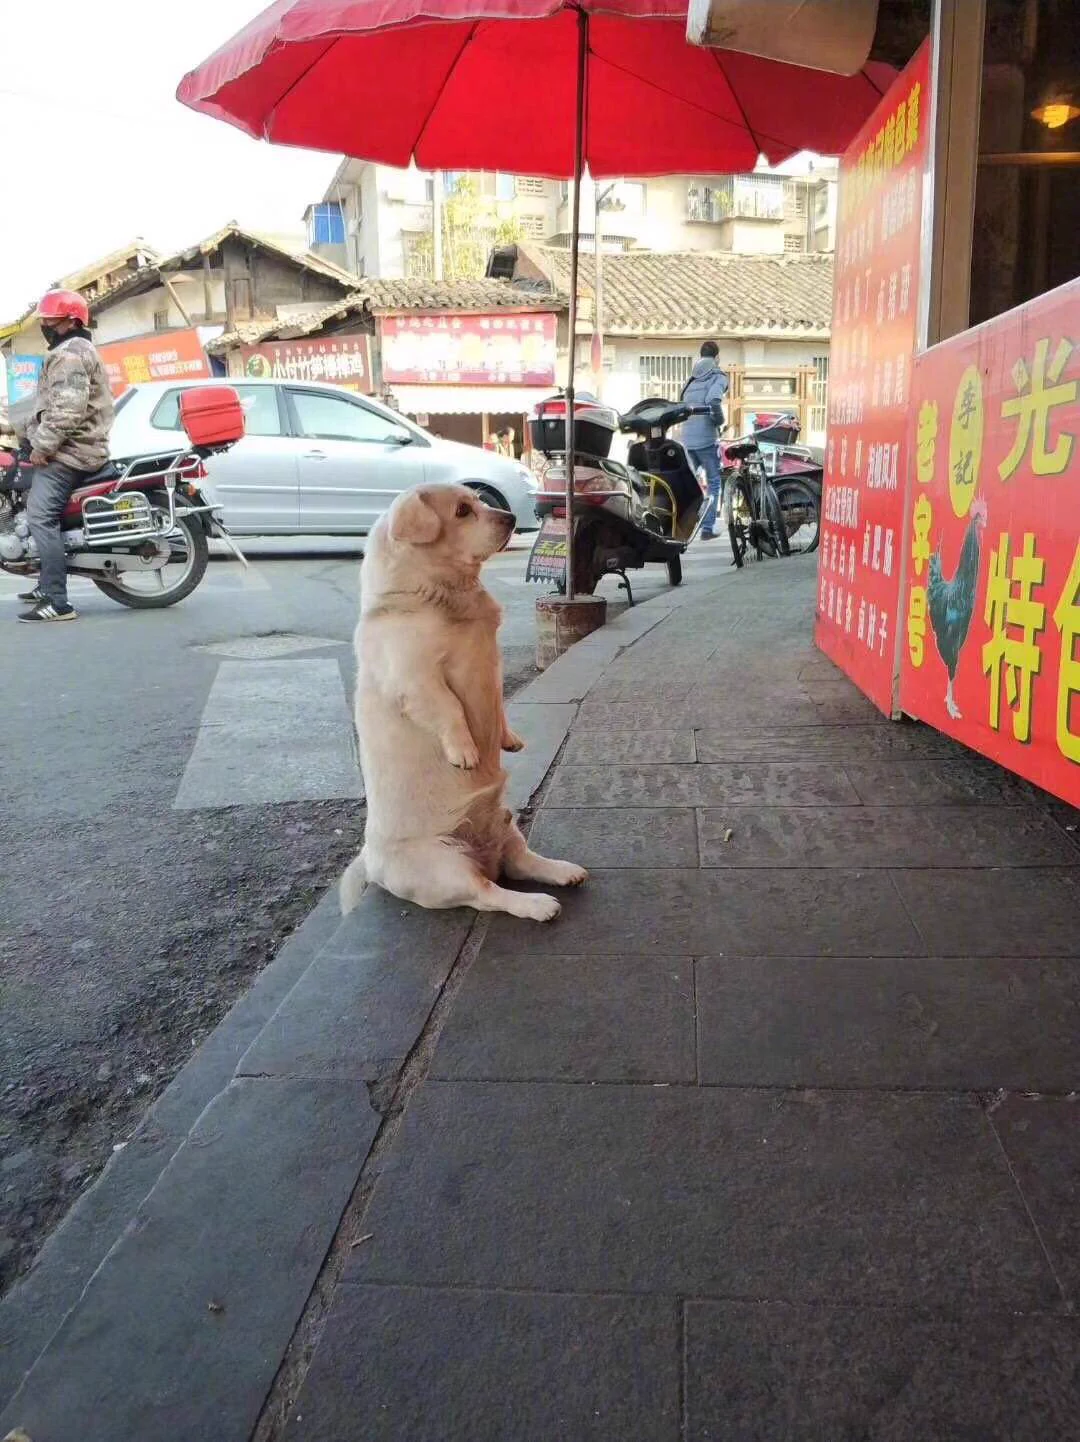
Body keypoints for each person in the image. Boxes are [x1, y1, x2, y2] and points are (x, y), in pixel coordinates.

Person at [17, 289, 114, 623]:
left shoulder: (70, 354)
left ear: (70, 320)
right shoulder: (72, 350)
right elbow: (46, 407)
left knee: (39, 516)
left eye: (50, 320)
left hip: (73, 453)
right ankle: (45, 581)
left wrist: (41, 448)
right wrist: (24, 435)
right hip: (78, 447)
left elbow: (67, 412)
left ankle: (57, 602)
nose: (45, 325)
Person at [680, 340, 729, 540]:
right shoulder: (718, 376)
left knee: (688, 484)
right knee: (714, 483)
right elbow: (713, 400)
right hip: (706, 439)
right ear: (717, 357)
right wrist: (719, 419)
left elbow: (681, 403)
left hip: (687, 437)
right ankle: (707, 529)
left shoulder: (690, 380)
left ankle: (683, 527)